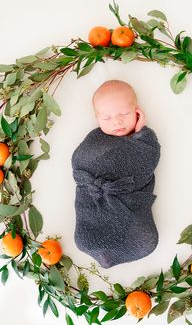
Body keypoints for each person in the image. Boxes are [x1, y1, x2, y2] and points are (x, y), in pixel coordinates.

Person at [71, 80, 161, 268]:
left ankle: (120, 249)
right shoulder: (95, 140)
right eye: (106, 118)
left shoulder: (145, 142)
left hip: (126, 199)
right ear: (97, 119)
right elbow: (79, 162)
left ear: (137, 111)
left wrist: (141, 133)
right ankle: (95, 244)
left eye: (124, 114)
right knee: (85, 240)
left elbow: (147, 163)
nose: (116, 121)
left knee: (145, 240)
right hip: (94, 199)